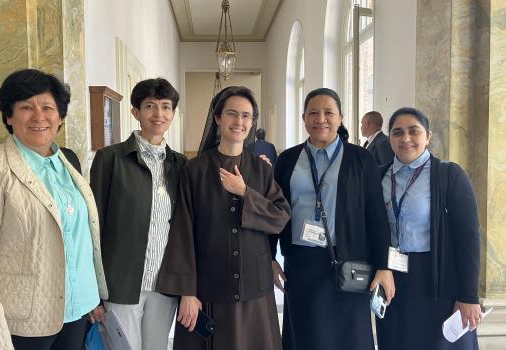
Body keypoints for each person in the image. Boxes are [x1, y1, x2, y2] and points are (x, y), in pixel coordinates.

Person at [0, 68, 107, 350]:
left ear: (60, 117)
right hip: (18, 324)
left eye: (47, 107)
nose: (39, 116)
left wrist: (92, 299)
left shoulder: (67, 165)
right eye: (25, 107)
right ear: (9, 116)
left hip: (74, 315)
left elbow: (77, 240)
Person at [156, 86, 291, 350]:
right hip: (209, 286)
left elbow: (280, 217)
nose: (238, 122)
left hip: (254, 286)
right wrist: (188, 290)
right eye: (231, 114)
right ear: (217, 118)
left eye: (245, 116)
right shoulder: (194, 170)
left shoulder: (261, 170)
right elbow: (183, 231)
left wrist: (245, 193)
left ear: (252, 122)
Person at [270, 88, 395, 350]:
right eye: (313, 113)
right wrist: (270, 257)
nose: (321, 119)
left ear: (341, 117)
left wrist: (383, 266)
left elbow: (375, 214)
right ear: (304, 118)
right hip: (301, 264)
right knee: (305, 335)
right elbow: (274, 211)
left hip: (348, 264)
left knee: (348, 338)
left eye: (329, 112)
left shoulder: (360, 159)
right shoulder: (288, 160)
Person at [89, 78, 187, 350]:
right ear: (135, 111)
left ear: (173, 113)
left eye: (166, 107)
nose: (159, 114)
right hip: (120, 282)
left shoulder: (181, 164)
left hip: (164, 282)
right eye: (150, 106)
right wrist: (93, 293)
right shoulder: (110, 159)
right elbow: (93, 226)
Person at [376, 107, 482, 350]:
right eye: (397, 132)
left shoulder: (449, 175)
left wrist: (468, 296)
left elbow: (468, 239)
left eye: (414, 131)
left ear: (428, 136)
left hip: (436, 278)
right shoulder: (379, 175)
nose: (406, 139)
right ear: (390, 138)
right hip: (393, 278)